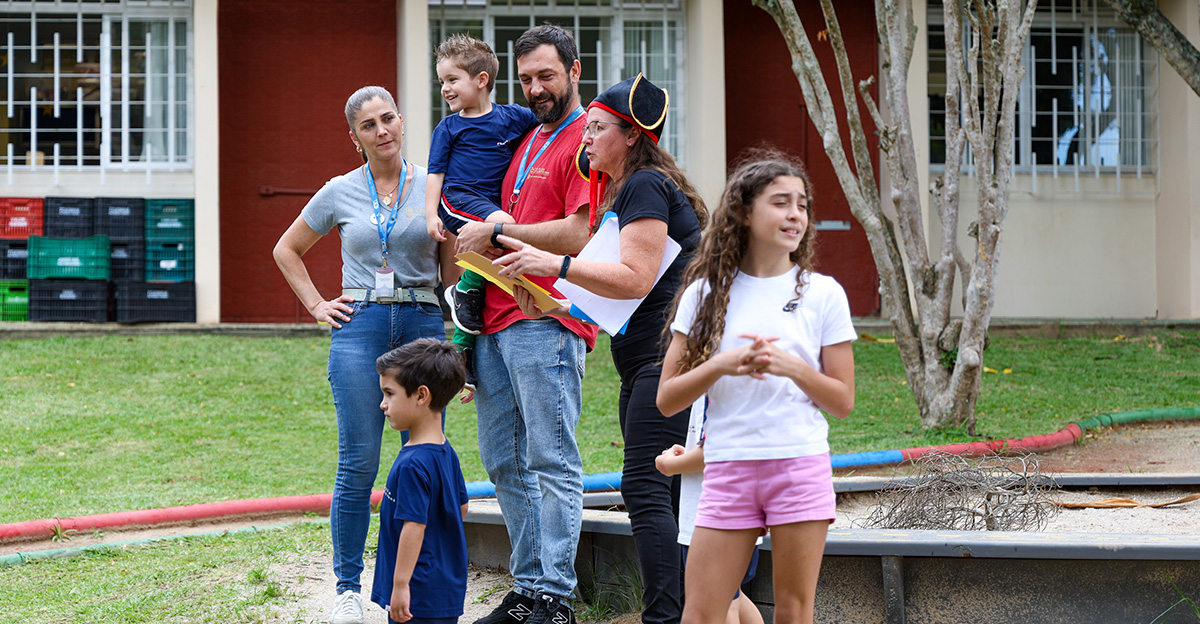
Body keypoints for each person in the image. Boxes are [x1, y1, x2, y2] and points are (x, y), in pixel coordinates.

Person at [494, 73, 706, 624]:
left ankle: (667, 616)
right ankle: (699, 606)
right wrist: (557, 305)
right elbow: (626, 291)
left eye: (596, 129)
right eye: (586, 128)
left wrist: (554, 265)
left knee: (644, 484)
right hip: (647, 360)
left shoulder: (644, 186)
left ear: (632, 135)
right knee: (662, 487)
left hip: (669, 360)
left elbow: (634, 277)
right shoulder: (631, 190)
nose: (584, 139)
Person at [273, 86, 451, 624]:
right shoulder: (339, 191)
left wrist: (457, 337)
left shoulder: (434, 185)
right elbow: (287, 249)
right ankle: (348, 590)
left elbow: (451, 270)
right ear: (355, 138)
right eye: (369, 125)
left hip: (421, 322)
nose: (383, 131)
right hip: (360, 327)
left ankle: (416, 580)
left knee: (421, 459)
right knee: (358, 462)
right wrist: (316, 304)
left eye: (389, 119)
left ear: (402, 121)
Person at [655, 153, 857, 624]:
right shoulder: (704, 294)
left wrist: (791, 367)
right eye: (781, 203)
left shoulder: (823, 294)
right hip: (728, 469)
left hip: (799, 466)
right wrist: (723, 364)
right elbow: (668, 398)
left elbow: (843, 401)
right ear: (743, 212)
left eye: (802, 205)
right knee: (701, 614)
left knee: (792, 610)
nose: (795, 215)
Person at [453, 24, 598, 624]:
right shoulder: (527, 136)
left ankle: (556, 597)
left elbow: (579, 232)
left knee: (551, 458)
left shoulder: (585, 141)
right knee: (503, 461)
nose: (536, 88)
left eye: (547, 75)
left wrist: (497, 231)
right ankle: (529, 587)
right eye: (528, 79)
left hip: (547, 320)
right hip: (496, 318)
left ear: (574, 71)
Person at [424, 33, 539, 387]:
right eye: (441, 81)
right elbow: (435, 174)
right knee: (506, 228)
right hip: (458, 199)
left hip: (492, 204)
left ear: (482, 80)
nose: (445, 88)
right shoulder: (449, 127)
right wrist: (431, 215)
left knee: (493, 262)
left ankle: (464, 346)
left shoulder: (514, 118)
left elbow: (549, 131)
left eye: (452, 80)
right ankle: (463, 292)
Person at [373, 338, 470, 624]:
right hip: (443, 588)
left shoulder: (413, 463)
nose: (383, 404)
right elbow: (461, 507)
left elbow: (414, 526)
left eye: (389, 393)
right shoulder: (444, 450)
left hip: (416, 593)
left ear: (420, 395)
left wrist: (400, 585)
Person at [656, 400, 764, 624]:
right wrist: (689, 456)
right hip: (737, 512)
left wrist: (669, 465)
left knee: (720, 605)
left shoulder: (714, 380)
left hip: (715, 517)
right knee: (733, 598)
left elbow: (713, 452)